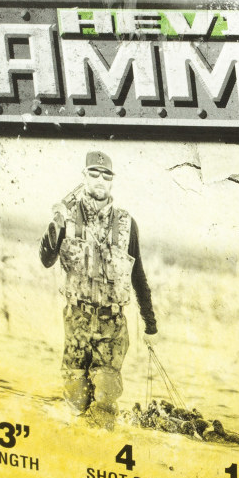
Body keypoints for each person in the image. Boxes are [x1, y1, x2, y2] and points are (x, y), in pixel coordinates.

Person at [40, 151, 157, 427]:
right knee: (76, 396)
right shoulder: (66, 218)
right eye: (94, 174)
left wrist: (150, 324)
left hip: (112, 323)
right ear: (84, 177)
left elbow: (137, 275)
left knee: (105, 394)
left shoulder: (127, 223)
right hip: (77, 321)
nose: (100, 180)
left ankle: (102, 441)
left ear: (112, 181)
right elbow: (46, 259)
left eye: (106, 175)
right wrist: (56, 223)